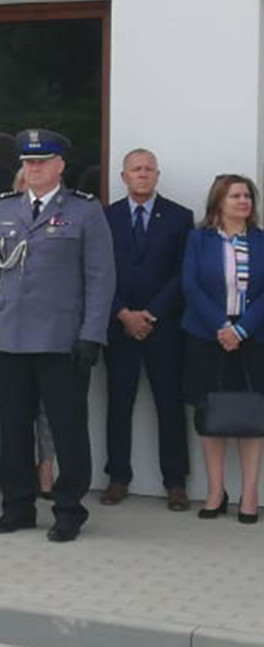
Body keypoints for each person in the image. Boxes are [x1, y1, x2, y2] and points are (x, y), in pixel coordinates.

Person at [0, 128, 114, 543]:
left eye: (41, 162)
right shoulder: (3, 209)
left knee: (68, 429)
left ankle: (69, 508)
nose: (32, 168)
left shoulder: (85, 211)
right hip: (12, 336)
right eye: (27, 162)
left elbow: (101, 278)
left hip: (62, 340)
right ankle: (18, 506)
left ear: (59, 166)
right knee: (14, 429)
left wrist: (92, 334)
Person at [101, 149, 193, 510]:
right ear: (123, 177)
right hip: (119, 326)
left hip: (164, 326)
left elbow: (183, 272)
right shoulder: (105, 218)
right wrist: (123, 313)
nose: (142, 175)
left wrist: (151, 313)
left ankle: (175, 482)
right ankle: (117, 477)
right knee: (118, 404)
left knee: (169, 404)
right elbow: (98, 272)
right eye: (135, 170)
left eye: (148, 169)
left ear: (157, 175)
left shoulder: (179, 217)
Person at [180, 174, 264, 524]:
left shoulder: (261, 240)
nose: (243, 201)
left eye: (247, 196)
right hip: (207, 337)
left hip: (253, 338)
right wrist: (222, 326)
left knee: (252, 417)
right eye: (235, 196)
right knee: (209, 414)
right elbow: (191, 285)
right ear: (219, 202)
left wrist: (242, 328)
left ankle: (249, 495)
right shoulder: (199, 239)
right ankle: (215, 491)